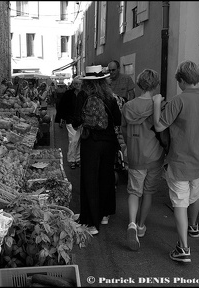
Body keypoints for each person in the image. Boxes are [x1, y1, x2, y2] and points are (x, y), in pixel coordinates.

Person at [152, 60, 199, 263]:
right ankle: (193, 226)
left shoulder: (178, 100)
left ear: (182, 80)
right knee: (195, 194)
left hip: (179, 161)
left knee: (180, 203)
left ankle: (183, 248)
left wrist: (157, 103)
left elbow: (159, 127)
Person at [72, 65, 122, 235]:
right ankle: (104, 214)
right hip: (109, 143)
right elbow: (118, 120)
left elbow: (75, 120)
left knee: (90, 179)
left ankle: (91, 222)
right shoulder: (110, 97)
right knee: (106, 176)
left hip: (91, 142)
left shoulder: (83, 95)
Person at [121, 69, 165, 251]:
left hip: (135, 154)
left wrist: (127, 146)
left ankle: (131, 223)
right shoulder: (160, 105)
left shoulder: (128, 106)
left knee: (133, 191)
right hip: (154, 155)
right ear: (155, 85)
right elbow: (163, 128)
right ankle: (140, 226)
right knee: (148, 192)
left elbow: (123, 129)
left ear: (139, 84)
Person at [57, 75, 83, 169]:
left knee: (79, 141)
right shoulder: (68, 94)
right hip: (70, 120)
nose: (77, 85)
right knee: (73, 140)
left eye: (79, 84)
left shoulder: (84, 94)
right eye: (75, 83)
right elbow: (63, 106)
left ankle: (78, 159)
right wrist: (62, 118)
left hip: (82, 121)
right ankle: (72, 159)